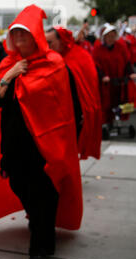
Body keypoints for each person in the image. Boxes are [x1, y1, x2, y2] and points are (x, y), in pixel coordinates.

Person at [0, 5, 83, 259]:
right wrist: (9, 76)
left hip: (46, 149)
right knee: (22, 188)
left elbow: (71, 107)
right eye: (15, 35)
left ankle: (40, 246)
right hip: (15, 146)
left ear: (36, 36)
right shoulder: (9, 64)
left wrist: (70, 141)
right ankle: (41, 229)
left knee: (45, 195)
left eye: (23, 35)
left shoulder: (55, 64)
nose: (18, 40)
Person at [46, 26, 102, 160]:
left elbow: (88, 85)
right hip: (54, 114)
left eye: (50, 43)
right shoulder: (49, 58)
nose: (47, 47)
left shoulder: (79, 56)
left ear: (61, 41)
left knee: (68, 151)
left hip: (74, 113)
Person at [92, 25, 136, 126]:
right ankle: (107, 122)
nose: (111, 38)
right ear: (104, 37)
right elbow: (96, 65)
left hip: (119, 82)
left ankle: (118, 121)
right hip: (106, 84)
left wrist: (131, 73)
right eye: (108, 36)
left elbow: (126, 63)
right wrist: (102, 76)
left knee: (121, 102)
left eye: (113, 36)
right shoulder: (98, 50)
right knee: (107, 104)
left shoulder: (121, 48)